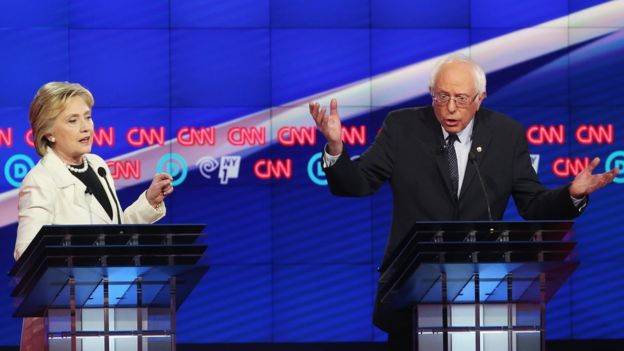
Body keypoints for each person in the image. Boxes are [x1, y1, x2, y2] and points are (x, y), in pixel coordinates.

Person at [308, 54, 618, 350]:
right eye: (441, 97)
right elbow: (358, 184)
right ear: (431, 93)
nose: (450, 109)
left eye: (461, 98)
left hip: (481, 293)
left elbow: (533, 205)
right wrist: (335, 148)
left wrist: (573, 194)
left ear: (481, 98)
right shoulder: (402, 127)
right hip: (412, 291)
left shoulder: (506, 135)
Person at [15, 81, 174, 351]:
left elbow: (113, 235)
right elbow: (26, 251)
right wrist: (80, 265)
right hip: (63, 318)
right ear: (50, 133)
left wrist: (148, 202)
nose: (86, 127)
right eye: (73, 120)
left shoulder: (98, 166)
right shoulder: (40, 180)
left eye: (87, 117)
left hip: (106, 308)